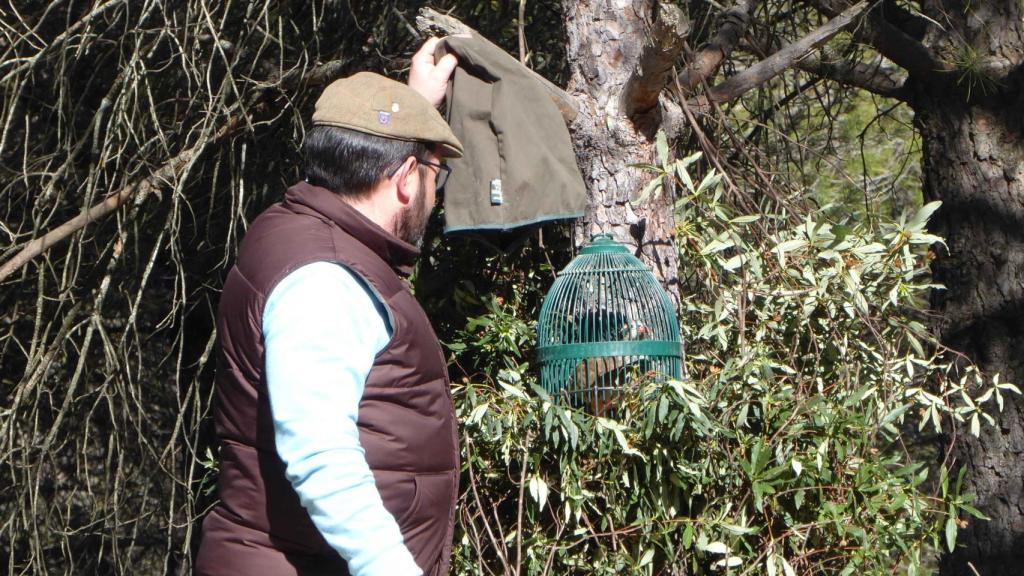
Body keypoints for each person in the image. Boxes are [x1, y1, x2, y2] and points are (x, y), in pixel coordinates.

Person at [195, 38, 463, 576]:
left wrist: (413, 106)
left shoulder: (299, 228)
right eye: (436, 175)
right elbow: (322, 457)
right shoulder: (325, 281)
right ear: (406, 179)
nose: (436, 195)